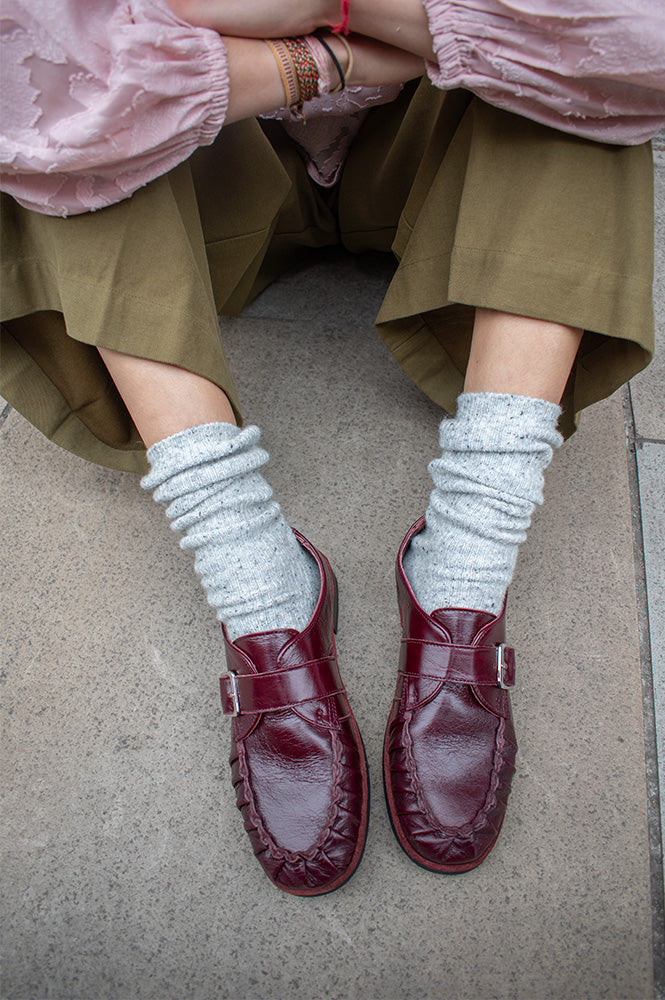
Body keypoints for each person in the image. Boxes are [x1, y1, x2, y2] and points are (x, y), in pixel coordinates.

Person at [1, 0, 661, 896]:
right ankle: (257, 584)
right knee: (45, 96)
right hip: (212, 176)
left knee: (583, 61)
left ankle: (465, 564)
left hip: (437, 171)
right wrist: (340, 60)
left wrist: (327, 6)